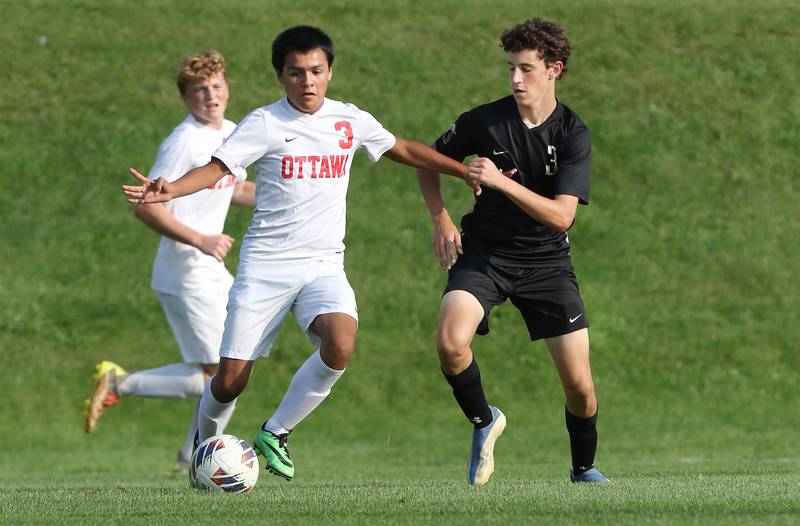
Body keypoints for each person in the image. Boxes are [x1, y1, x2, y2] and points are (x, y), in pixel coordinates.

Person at [122, 26, 476, 481]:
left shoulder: (349, 121)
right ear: (281, 77)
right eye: (296, 73)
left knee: (341, 341)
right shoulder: (264, 123)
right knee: (229, 381)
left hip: (323, 264)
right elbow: (215, 171)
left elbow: (402, 148)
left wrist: (462, 171)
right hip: (265, 265)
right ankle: (202, 453)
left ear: (329, 72)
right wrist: (169, 188)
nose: (307, 82)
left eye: (316, 71)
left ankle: (276, 431)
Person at [416, 17, 610, 485]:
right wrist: (440, 217)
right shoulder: (484, 121)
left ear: (554, 70)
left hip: (547, 263)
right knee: (449, 341)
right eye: (511, 68)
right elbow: (427, 159)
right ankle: (485, 421)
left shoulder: (571, 134)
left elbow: (563, 217)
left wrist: (500, 181)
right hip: (485, 255)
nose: (516, 79)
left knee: (580, 388)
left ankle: (583, 469)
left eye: (526, 69)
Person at [86, 50, 256, 474]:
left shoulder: (231, 132)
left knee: (233, 367)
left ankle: (192, 458)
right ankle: (122, 387)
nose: (211, 96)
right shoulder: (184, 142)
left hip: (208, 271)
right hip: (185, 271)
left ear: (228, 88)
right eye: (200, 90)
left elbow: (230, 187)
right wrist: (200, 239)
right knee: (220, 375)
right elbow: (146, 206)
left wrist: (298, 190)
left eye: (217, 86)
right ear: (186, 98)